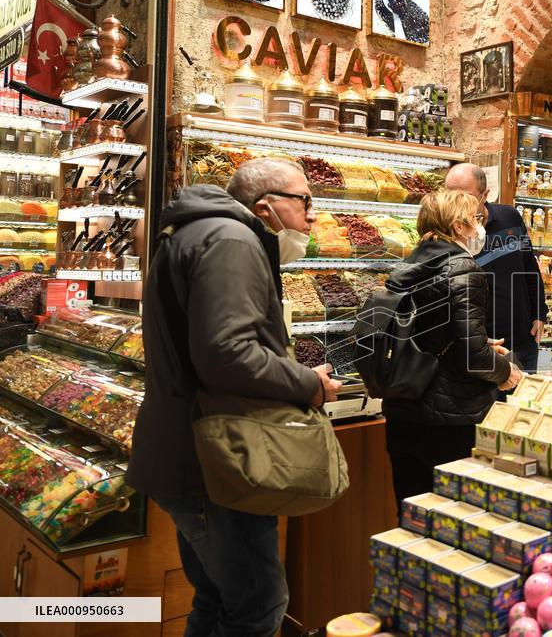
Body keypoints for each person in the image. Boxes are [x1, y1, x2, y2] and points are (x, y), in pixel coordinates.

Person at [127, 158, 342, 636]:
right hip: (216, 460)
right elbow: (227, 354)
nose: (313, 215)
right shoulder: (231, 241)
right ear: (266, 206)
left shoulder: (194, 233)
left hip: (187, 450)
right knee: (259, 605)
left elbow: (217, 346)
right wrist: (308, 384)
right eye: (305, 200)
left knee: (216, 600)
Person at [382, 189, 523, 507]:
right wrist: (504, 372)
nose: (481, 226)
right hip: (448, 418)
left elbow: (422, 333)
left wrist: (474, 342)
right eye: (476, 219)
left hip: (403, 410)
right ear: (459, 226)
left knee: (411, 514)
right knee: (449, 519)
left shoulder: (407, 265)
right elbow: (473, 356)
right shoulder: (463, 269)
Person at [445, 163, 546, 371]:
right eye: (449, 195)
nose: (456, 203)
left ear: (485, 194)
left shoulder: (510, 217)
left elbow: (529, 268)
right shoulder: (447, 234)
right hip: (481, 346)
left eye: (465, 195)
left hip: (523, 339)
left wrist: (539, 313)